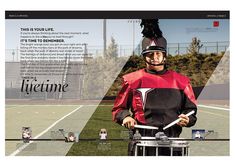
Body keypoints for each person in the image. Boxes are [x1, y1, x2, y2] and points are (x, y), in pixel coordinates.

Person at [112, 19, 197, 156]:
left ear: (165, 55)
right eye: (150, 54)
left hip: (173, 143)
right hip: (142, 142)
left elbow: (191, 111)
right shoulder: (132, 80)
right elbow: (118, 109)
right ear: (144, 56)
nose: (154, 57)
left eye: (158, 53)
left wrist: (188, 119)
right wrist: (126, 117)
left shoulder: (182, 81)